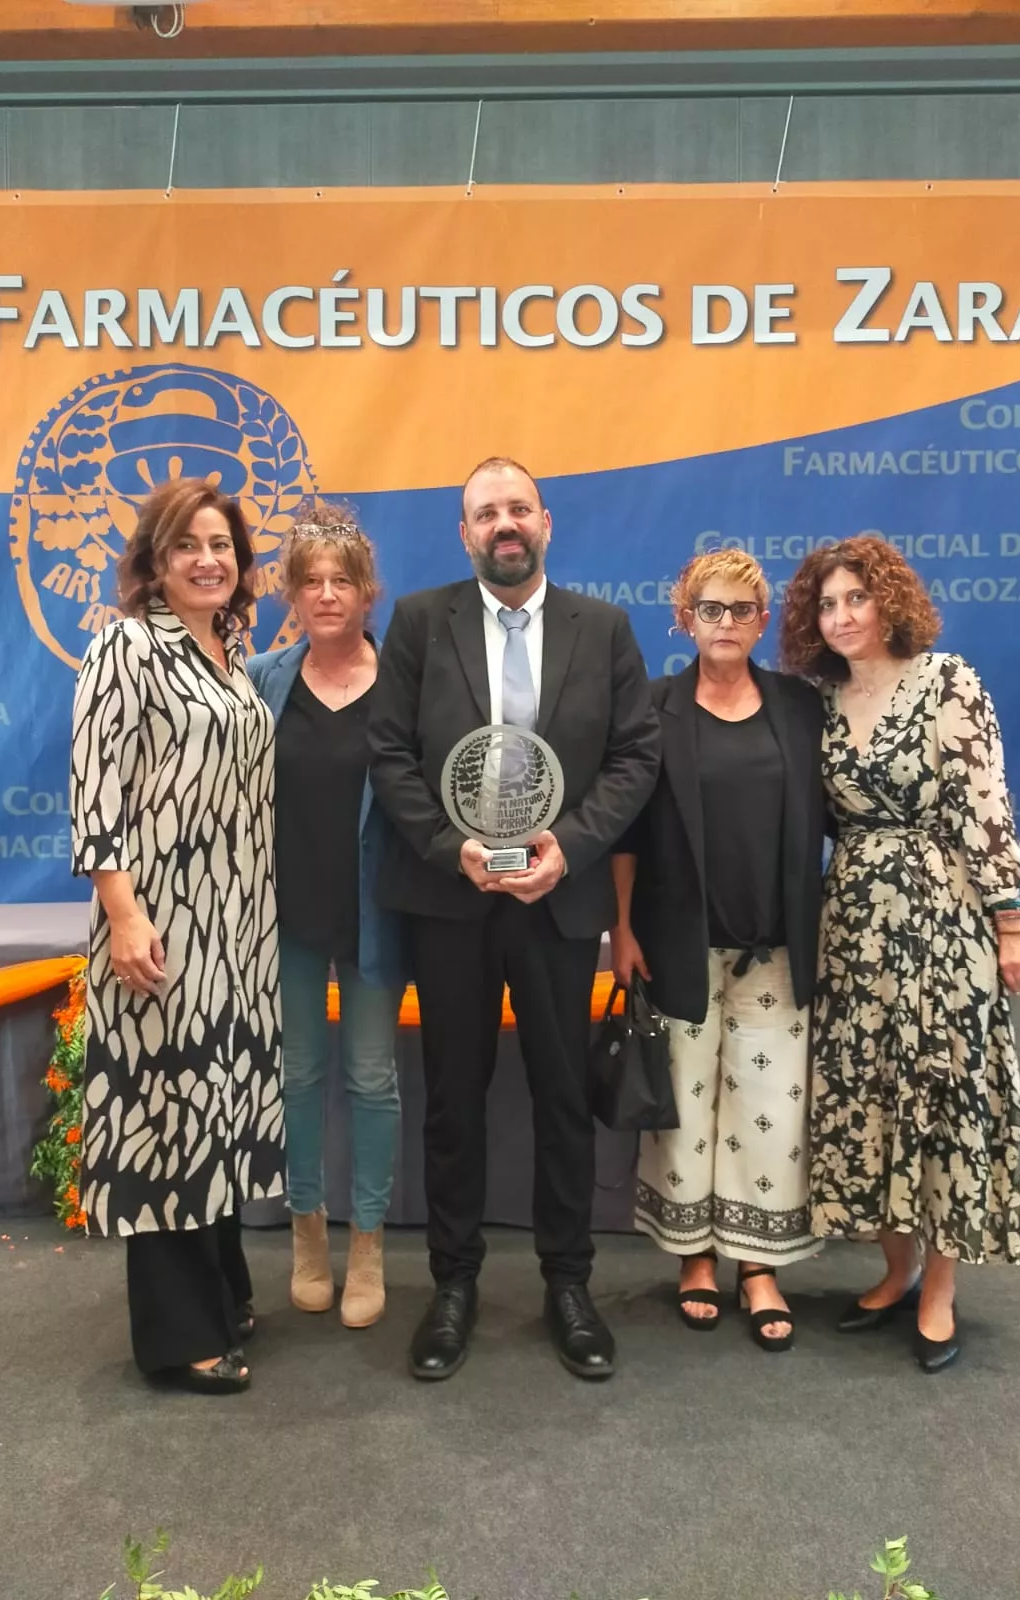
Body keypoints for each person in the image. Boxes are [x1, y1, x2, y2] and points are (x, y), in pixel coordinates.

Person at [369, 456, 660, 1382]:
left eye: (518, 509)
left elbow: (635, 756)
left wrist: (566, 849)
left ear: (545, 523)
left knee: (562, 1099)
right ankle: (452, 1287)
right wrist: (447, 845)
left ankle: (568, 1285)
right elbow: (389, 753)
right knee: (453, 1100)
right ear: (465, 533)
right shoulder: (421, 622)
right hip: (450, 899)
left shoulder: (602, 628)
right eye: (486, 512)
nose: (505, 524)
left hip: (557, 899)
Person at [780, 535, 1020, 1374]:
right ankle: (895, 1271)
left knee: (942, 1093)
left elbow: (985, 803)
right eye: (827, 604)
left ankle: (940, 1287)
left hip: (942, 917)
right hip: (853, 922)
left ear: (889, 601)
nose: (841, 616)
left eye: (856, 598)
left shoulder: (947, 680)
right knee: (869, 1094)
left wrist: (1009, 920)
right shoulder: (818, 702)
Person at [70, 478, 285, 1395]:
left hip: (236, 925)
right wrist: (123, 915)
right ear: (155, 562)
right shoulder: (124, 645)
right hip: (159, 921)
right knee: (165, 1114)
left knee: (213, 1104)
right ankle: (177, 1338)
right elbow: (96, 789)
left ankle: (223, 1293)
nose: (208, 559)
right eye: (187, 544)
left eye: (221, 545)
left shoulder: (232, 654)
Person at [610, 550, 823, 1351]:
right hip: (676, 945)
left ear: (762, 621)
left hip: (776, 948)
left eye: (740, 610)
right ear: (685, 618)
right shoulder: (653, 707)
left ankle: (757, 1264)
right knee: (686, 1107)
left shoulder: (799, 707)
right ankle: (694, 1256)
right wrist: (622, 929)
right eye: (710, 609)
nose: (725, 623)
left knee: (771, 1109)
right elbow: (627, 832)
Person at [247, 503, 405, 1328]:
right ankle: (307, 1235)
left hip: (376, 915)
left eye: (342, 580)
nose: (327, 594)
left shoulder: (404, 681)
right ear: (292, 595)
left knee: (372, 1080)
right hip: (289, 917)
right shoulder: (262, 679)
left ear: (368, 592)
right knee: (299, 1077)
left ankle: (367, 1244)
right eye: (311, 581)